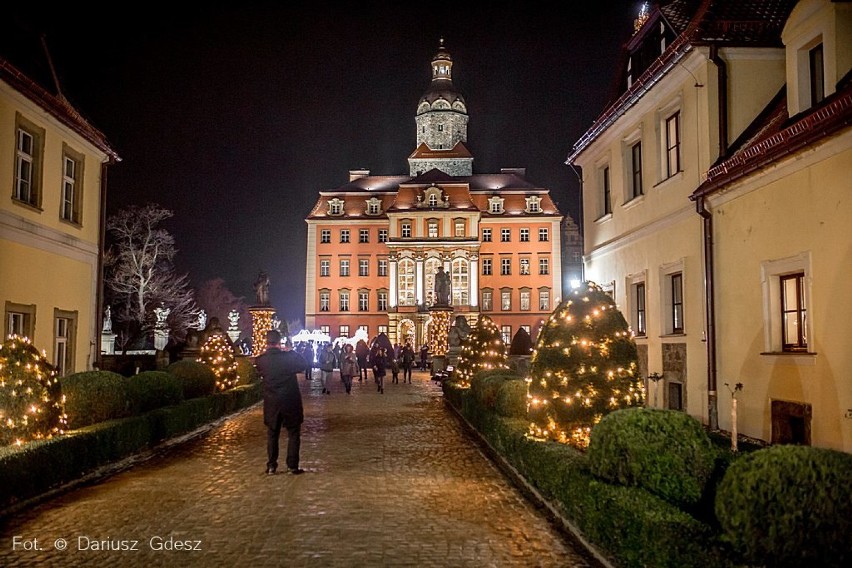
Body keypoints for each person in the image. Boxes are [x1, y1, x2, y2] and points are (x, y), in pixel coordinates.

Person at [254, 330, 306, 476]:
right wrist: (291, 351)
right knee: (293, 433)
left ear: (266, 342)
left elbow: (258, 373)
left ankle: (271, 466)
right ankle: (292, 466)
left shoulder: (261, 360)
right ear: (280, 342)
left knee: (272, 434)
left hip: (272, 402)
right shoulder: (288, 357)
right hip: (290, 400)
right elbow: (303, 364)